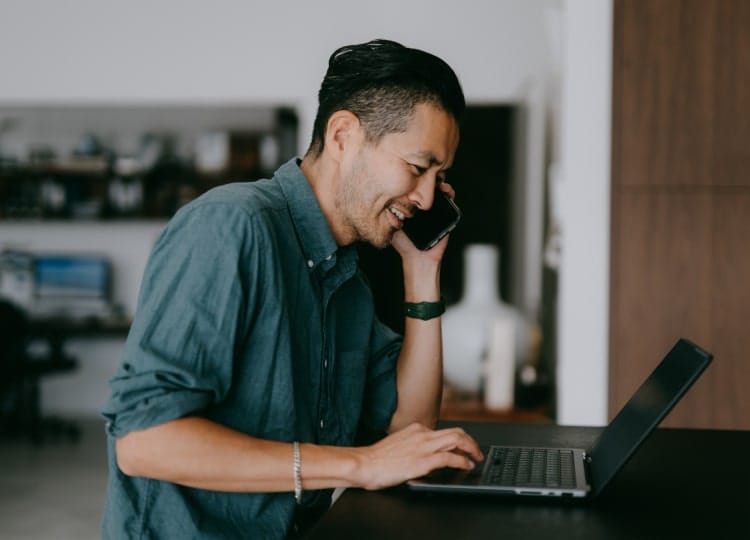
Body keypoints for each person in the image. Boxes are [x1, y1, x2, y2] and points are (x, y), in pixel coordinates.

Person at [101, 38, 483, 539]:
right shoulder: (229, 228)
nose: (428, 195)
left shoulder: (348, 278)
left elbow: (409, 434)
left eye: (439, 176)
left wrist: (423, 270)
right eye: (417, 167)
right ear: (344, 135)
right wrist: (358, 465)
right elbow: (143, 441)